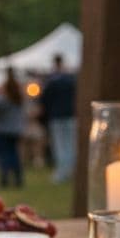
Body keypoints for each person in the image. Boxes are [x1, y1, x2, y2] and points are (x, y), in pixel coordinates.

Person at [40, 54, 77, 183]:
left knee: (61, 146)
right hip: (70, 115)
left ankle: (62, 172)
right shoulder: (70, 79)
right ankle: (70, 171)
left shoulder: (53, 80)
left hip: (57, 116)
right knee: (70, 145)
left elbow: (45, 99)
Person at [0, 71, 25, 188]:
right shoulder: (19, 98)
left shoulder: (3, 99)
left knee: (4, 155)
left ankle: (4, 178)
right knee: (14, 154)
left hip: (2, 130)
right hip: (15, 129)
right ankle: (18, 178)